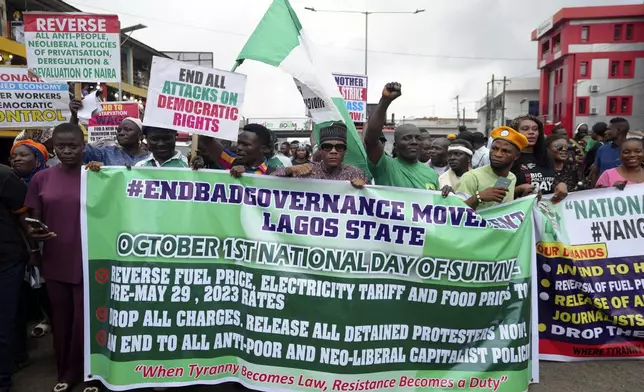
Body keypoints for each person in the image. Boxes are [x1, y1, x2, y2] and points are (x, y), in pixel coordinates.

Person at [25, 123, 103, 392]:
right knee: (62, 321)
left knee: (88, 321)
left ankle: (92, 375)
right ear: (53, 147)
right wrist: (34, 236)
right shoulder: (41, 179)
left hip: (92, 262)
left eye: (73, 146)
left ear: (84, 146)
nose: (67, 151)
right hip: (57, 262)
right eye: (61, 146)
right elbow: (31, 218)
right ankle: (66, 374)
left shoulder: (98, 176)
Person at [10, 140, 53, 342]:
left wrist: (35, 251)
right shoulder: (11, 183)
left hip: (45, 246)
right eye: (14, 156)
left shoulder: (47, 181)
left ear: (38, 160)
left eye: (23, 155)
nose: (17, 159)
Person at [363, 82, 439, 190]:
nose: (414, 142)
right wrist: (385, 101)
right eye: (407, 138)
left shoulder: (432, 174)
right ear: (396, 146)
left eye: (418, 138)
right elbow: (371, 140)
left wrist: (447, 195)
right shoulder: (385, 167)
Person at [0, 163, 29, 392]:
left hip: (6, 259)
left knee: (4, 321)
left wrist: (35, 252)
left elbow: (24, 217)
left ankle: (3, 379)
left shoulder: (4, 175)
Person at [453, 127, 527, 210]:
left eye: (505, 151)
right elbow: (456, 211)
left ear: (516, 156)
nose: (497, 154)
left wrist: (522, 190)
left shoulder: (511, 177)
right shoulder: (471, 177)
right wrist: (478, 197)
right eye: (494, 148)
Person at [272, 123, 366, 187]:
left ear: (345, 151)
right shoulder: (307, 169)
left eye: (339, 147)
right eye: (327, 147)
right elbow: (269, 180)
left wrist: (364, 188)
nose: (333, 151)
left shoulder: (355, 173)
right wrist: (290, 170)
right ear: (320, 150)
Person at [69, 100, 148, 166]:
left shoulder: (151, 158)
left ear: (140, 136)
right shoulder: (107, 153)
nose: (121, 133)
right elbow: (80, 150)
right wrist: (74, 117)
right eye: (119, 130)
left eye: (127, 130)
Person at [509, 115, 568, 203]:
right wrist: (519, 189)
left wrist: (560, 185)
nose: (531, 132)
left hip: (546, 210)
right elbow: (500, 193)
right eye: (525, 129)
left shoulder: (546, 156)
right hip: (520, 212)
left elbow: (551, 181)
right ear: (515, 132)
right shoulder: (508, 157)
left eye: (535, 129)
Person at [197, 123, 277, 177]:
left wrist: (247, 171)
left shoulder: (272, 172)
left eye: (245, 145)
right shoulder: (231, 161)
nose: (239, 148)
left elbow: (288, 172)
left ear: (263, 149)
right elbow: (205, 139)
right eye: (239, 143)